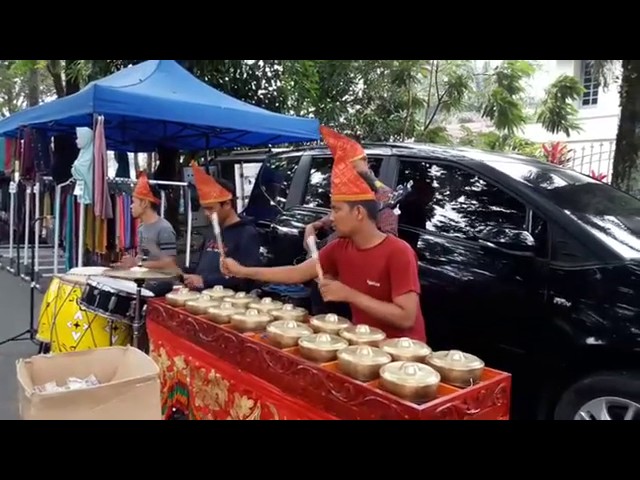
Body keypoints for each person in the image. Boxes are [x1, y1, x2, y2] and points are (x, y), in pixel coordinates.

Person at [222, 126, 426, 342]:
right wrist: (243, 270)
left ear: (358, 212)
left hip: (404, 357)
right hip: (364, 347)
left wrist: (348, 294)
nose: (331, 217)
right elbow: (296, 273)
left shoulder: (398, 252)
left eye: (336, 209)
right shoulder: (340, 248)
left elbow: (406, 318)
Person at [182, 162, 262, 292]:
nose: (206, 214)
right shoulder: (212, 230)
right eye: (204, 209)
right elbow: (199, 267)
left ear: (227, 204)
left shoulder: (247, 233)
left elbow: (248, 276)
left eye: (210, 209)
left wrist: (205, 281)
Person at [115, 172, 177, 296]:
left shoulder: (164, 228)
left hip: (160, 283)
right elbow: (142, 256)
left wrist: (137, 264)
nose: (131, 206)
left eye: (134, 202)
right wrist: (128, 264)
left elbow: (170, 263)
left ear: (144, 203)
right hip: (145, 278)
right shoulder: (142, 227)